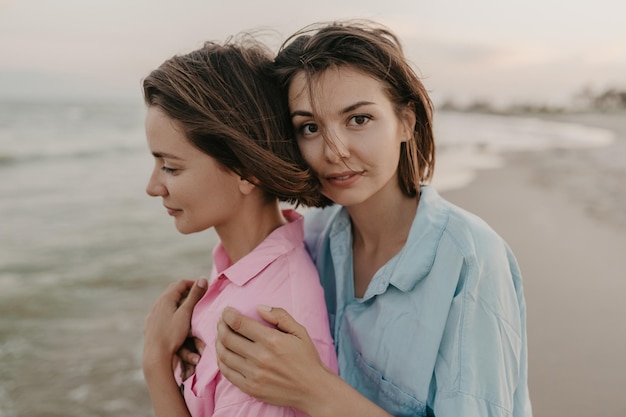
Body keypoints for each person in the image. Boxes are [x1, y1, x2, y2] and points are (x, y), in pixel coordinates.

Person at [178, 20, 532, 417]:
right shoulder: (311, 241)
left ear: (406, 122)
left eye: (359, 119)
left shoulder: (468, 257)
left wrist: (314, 389)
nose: (334, 151)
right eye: (309, 127)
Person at [140, 37, 338, 417]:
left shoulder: (262, 327)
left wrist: (155, 364)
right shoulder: (243, 267)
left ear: (245, 169)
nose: (153, 187)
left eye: (171, 167)